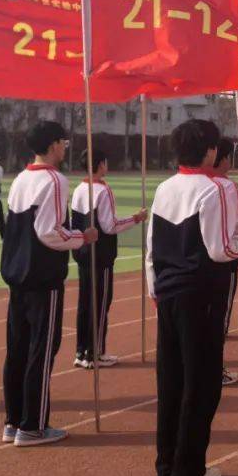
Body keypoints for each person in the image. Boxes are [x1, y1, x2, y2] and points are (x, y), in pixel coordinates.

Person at [146, 119, 238, 476]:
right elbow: (221, 249)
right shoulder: (218, 188)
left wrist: (155, 291)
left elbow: (152, 248)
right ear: (209, 150)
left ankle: (167, 465)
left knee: (171, 383)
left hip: (168, 293)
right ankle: (189, 469)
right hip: (203, 295)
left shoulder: (164, 187)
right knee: (202, 385)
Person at [1, 121, 98, 446]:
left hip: (17, 274)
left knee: (17, 349)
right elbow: (49, 231)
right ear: (54, 144)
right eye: (64, 142)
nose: (66, 147)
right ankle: (33, 425)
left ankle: (14, 421)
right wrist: (82, 236)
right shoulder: (55, 180)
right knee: (40, 350)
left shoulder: (20, 178)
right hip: (42, 276)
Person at [70, 146, 146, 369]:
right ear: (101, 164)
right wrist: (136, 218)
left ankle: (82, 350)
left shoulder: (79, 189)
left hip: (82, 252)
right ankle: (95, 352)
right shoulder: (102, 190)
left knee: (85, 301)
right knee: (101, 301)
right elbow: (109, 225)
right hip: (100, 253)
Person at [209, 138, 238, 387]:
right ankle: (215, 368)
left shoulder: (200, 184)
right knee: (220, 316)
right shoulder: (227, 187)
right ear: (220, 159)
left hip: (202, 261)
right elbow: (237, 226)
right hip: (225, 259)